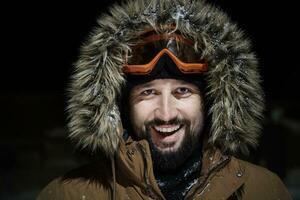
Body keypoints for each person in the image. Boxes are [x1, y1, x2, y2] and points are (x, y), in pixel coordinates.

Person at [38, 0, 292, 199]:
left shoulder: (263, 190)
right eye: (148, 92)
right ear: (121, 105)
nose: (166, 113)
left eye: (183, 91)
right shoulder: (66, 195)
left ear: (213, 102)